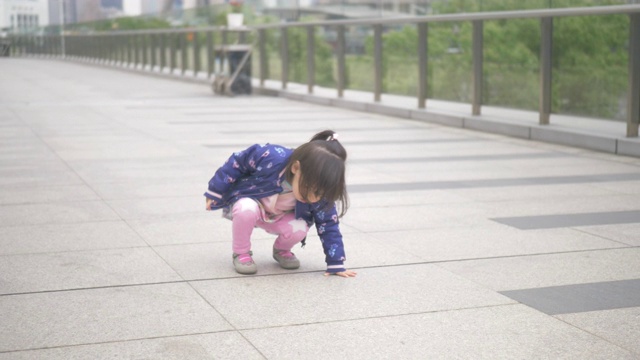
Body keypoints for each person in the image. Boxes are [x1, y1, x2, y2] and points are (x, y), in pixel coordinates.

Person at [204, 130, 357, 278]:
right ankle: (241, 253)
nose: (312, 198)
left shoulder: (320, 192)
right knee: (246, 209)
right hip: (254, 204)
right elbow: (238, 161)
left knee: (300, 228)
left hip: (280, 217)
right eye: (309, 189)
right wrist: (216, 190)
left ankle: (281, 250)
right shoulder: (272, 157)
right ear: (296, 168)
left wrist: (335, 263)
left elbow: (329, 225)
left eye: (319, 194)